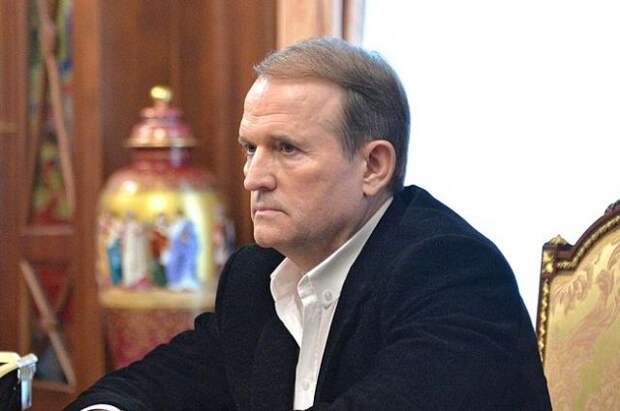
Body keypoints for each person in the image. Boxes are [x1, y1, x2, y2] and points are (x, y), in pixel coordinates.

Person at [66, 37, 551, 411]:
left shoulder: (448, 271)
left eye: (287, 149)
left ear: (373, 166)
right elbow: (161, 383)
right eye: (250, 149)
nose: (253, 178)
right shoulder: (258, 274)